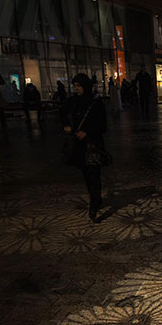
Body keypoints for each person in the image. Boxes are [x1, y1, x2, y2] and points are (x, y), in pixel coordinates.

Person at [61, 73, 107, 222]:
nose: (77, 89)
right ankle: (96, 198)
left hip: (92, 145)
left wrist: (87, 132)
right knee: (87, 176)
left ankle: (94, 203)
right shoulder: (73, 102)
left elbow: (103, 126)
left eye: (79, 86)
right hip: (79, 146)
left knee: (94, 174)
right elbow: (62, 113)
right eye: (75, 86)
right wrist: (66, 126)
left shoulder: (95, 103)